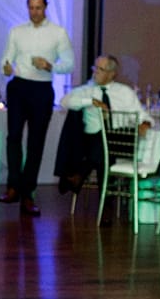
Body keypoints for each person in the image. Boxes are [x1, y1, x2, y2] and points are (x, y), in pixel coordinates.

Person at [0, 0, 75, 216]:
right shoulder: (17, 31)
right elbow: (6, 57)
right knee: (13, 137)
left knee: (36, 142)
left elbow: (69, 63)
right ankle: (13, 186)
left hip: (42, 89)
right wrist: (6, 66)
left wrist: (50, 65)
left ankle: (27, 192)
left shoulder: (58, 32)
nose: (34, 12)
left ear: (46, 7)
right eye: (31, 8)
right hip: (18, 86)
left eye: (38, 8)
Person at [53, 54, 146, 200]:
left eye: (100, 69)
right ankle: (106, 205)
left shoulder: (125, 92)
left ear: (111, 74)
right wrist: (90, 101)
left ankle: (80, 173)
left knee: (102, 145)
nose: (95, 72)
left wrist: (145, 124)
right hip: (93, 142)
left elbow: (143, 116)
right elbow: (64, 102)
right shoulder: (87, 89)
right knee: (101, 150)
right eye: (94, 68)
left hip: (120, 141)